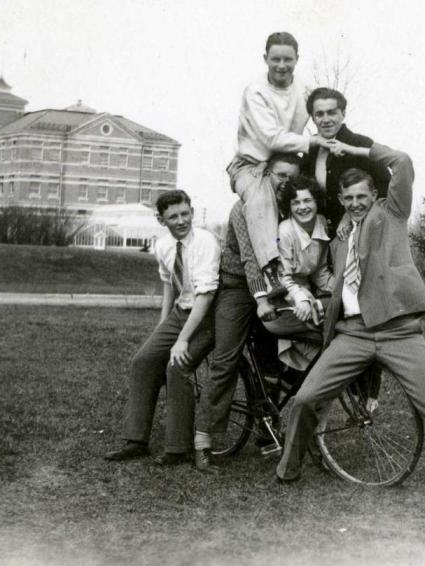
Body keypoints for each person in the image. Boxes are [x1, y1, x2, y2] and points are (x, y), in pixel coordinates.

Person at [274, 143, 425, 495]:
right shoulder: (340, 237)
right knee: (304, 399)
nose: (355, 203)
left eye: (362, 196)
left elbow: (402, 161)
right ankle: (287, 470)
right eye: (348, 198)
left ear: (375, 194)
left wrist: (352, 147)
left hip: (398, 332)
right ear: (342, 200)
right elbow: (337, 282)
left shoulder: (391, 214)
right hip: (352, 333)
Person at [104, 190, 220, 474]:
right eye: (173, 217)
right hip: (181, 312)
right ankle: (136, 441)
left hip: (208, 317)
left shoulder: (206, 241)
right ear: (161, 220)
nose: (181, 221)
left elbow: (205, 297)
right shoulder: (164, 245)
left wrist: (181, 340)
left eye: (185, 213)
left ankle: (178, 448)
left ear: (192, 211)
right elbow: (169, 283)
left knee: (176, 365)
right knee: (143, 361)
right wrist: (162, 326)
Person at [201, 154, 302, 448]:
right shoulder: (244, 206)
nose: (285, 183)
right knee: (225, 359)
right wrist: (260, 300)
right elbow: (250, 259)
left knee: (275, 358)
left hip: (271, 289)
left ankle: (266, 429)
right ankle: (204, 440)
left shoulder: (288, 209)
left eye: (291, 178)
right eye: (280, 175)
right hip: (237, 286)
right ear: (265, 175)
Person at [227, 32, 331, 293]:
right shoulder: (256, 91)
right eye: (275, 59)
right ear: (266, 59)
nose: (282, 65)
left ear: (297, 59)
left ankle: (318, 275)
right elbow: (271, 138)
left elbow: (323, 109)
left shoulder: (303, 89)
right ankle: (270, 269)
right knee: (261, 198)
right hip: (251, 164)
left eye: (288, 59)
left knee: (309, 197)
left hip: (285, 162)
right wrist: (312, 142)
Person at [263, 175, 335, 370]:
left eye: (307, 200)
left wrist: (340, 288)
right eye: (296, 203)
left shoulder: (321, 223)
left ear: (316, 201)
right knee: (323, 331)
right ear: (289, 206)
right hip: (282, 293)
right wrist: (300, 297)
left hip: (307, 291)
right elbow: (282, 276)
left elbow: (319, 271)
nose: (302, 207)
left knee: (340, 304)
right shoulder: (284, 232)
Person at [302, 87, 391, 235]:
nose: (326, 120)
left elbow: (386, 187)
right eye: (319, 114)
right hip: (325, 236)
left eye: (331, 112)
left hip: (362, 232)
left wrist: (351, 216)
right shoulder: (310, 151)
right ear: (312, 118)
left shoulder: (360, 144)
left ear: (343, 114)